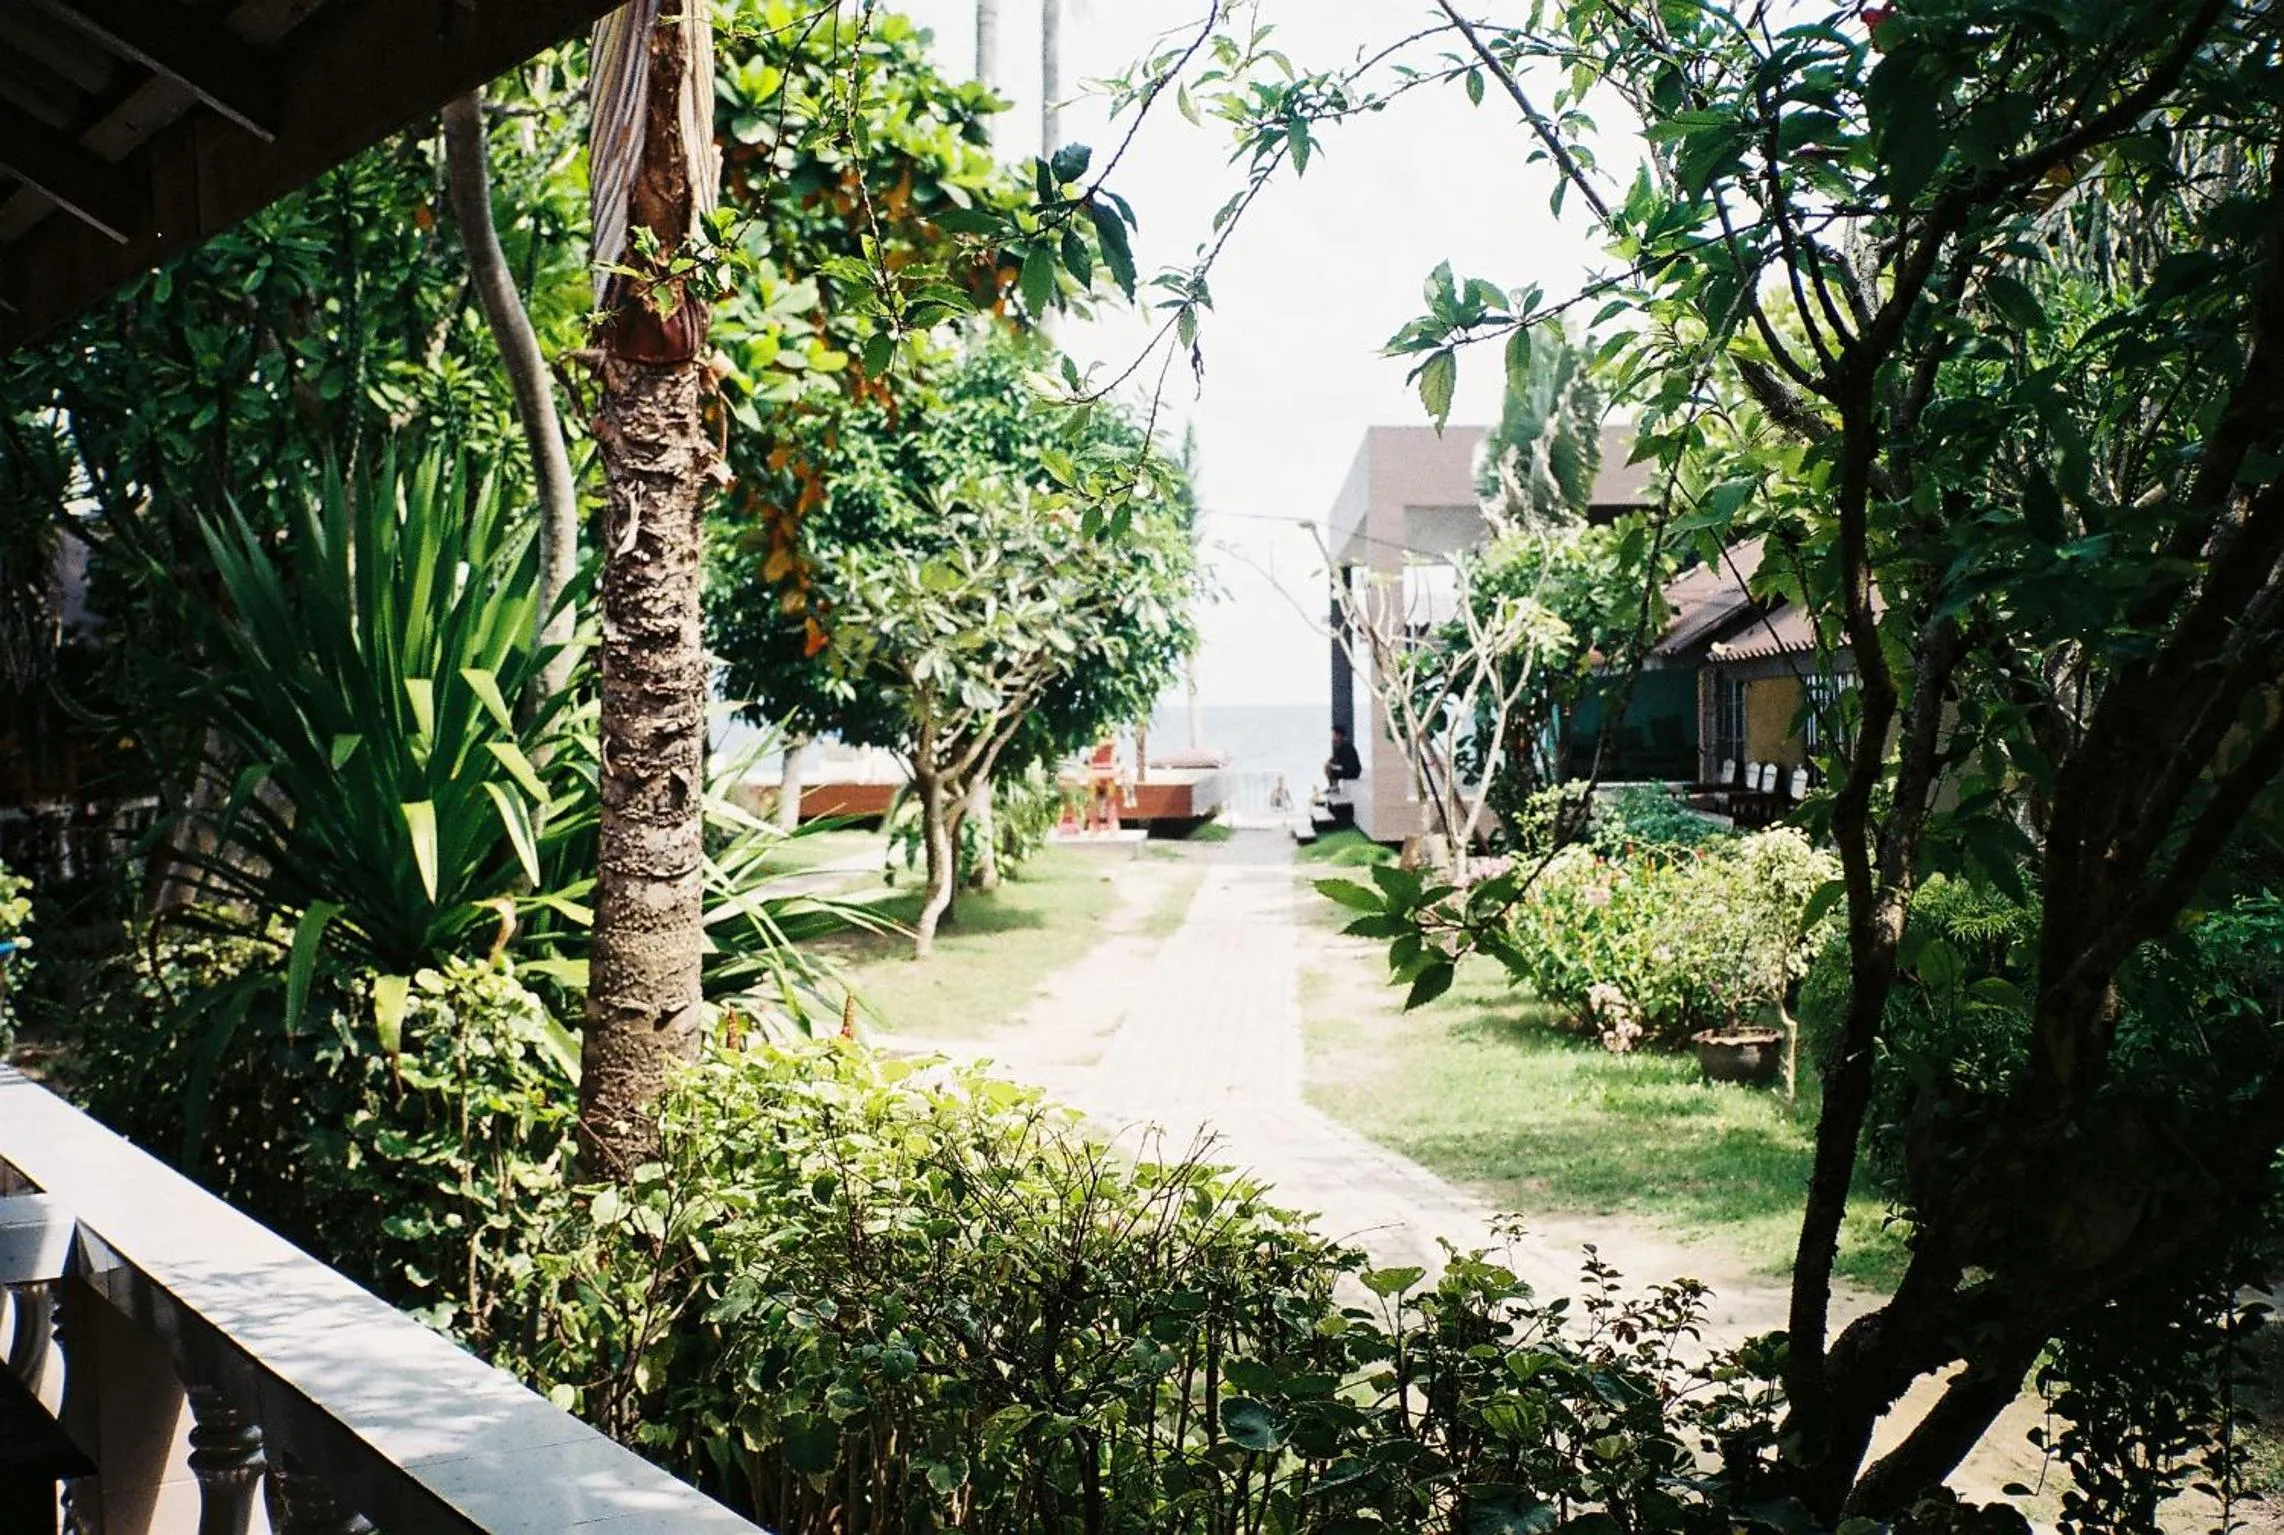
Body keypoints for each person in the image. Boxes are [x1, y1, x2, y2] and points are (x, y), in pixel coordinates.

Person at [1324, 724, 1362, 795]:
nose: (1332, 737)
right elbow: (1337, 760)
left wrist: (1331, 766)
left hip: (1352, 772)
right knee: (1330, 764)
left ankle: (1334, 787)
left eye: (1334, 734)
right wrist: (1332, 761)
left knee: (1328, 767)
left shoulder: (1345, 746)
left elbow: (1344, 765)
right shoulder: (1340, 744)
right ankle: (1334, 786)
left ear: (1339, 735)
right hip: (1350, 770)